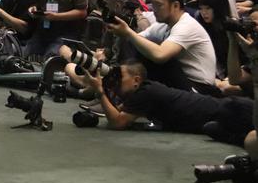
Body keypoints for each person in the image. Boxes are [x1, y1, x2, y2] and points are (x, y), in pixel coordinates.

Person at [82, 61, 252, 145]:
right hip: (221, 114)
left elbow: (117, 123)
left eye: (120, 77)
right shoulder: (143, 91)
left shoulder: (145, 93)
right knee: (213, 129)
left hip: (233, 110)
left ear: (136, 80)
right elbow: (118, 112)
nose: (117, 80)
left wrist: (100, 91)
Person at [107, 0, 217, 93]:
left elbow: (160, 55)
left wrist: (128, 32)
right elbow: (136, 40)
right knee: (135, 44)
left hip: (199, 88)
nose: (154, 9)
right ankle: (120, 85)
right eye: (153, 4)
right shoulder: (164, 25)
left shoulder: (187, 26)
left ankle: (125, 90)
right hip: (183, 81)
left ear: (175, 6)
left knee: (161, 59)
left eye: (159, 5)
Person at [196, 0, 235, 81]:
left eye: (208, 8)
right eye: (201, 8)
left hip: (232, 75)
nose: (203, 12)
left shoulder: (231, 27)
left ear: (218, 7)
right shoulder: (200, 23)